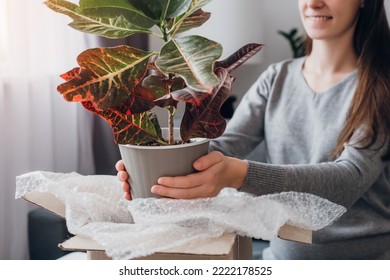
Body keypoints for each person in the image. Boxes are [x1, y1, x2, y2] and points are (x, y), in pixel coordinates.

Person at [116, 0, 390, 259]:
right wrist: (153, 164)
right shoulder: (276, 78)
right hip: (281, 258)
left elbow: (349, 179)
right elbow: (225, 145)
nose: (314, 2)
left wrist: (239, 175)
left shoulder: (381, 87)